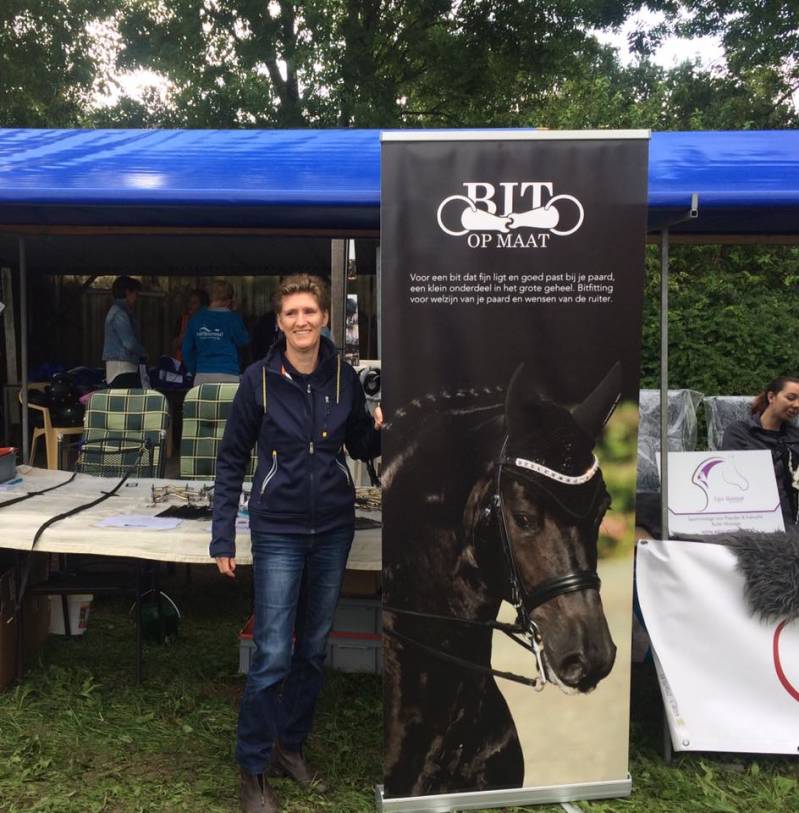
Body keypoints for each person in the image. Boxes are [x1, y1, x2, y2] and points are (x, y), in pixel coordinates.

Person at [211, 274, 382, 813]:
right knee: (271, 654)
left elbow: (360, 443)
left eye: (310, 311)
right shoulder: (257, 380)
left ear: (325, 317)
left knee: (312, 649)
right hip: (278, 529)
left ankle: (290, 746)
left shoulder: (344, 378)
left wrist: (381, 429)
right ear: (280, 322)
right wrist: (222, 534)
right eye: (291, 313)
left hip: (332, 528)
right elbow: (231, 459)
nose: (301, 321)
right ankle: (253, 768)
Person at [722, 376, 799, 525]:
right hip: (751, 515)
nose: (797, 405)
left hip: (791, 518)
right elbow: (731, 477)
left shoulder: (796, 436)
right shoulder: (739, 432)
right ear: (771, 397)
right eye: (791, 398)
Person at [182, 280, 250, 385]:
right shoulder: (233, 319)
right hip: (228, 374)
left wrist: (195, 370)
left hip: (202, 374)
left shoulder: (196, 319)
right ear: (229, 301)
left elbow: (186, 350)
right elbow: (243, 341)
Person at [102, 276, 147, 388]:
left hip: (121, 366)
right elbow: (129, 342)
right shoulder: (120, 313)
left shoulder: (119, 312)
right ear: (127, 292)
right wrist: (143, 352)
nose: (136, 298)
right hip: (122, 367)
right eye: (135, 294)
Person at [171, 288, 209, 362]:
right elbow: (173, 345)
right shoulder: (183, 319)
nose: (190, 305)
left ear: (203, 306)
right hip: (182, 364)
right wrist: (181, 339)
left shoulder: (209, 322)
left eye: (194, 303)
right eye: (189, 302)